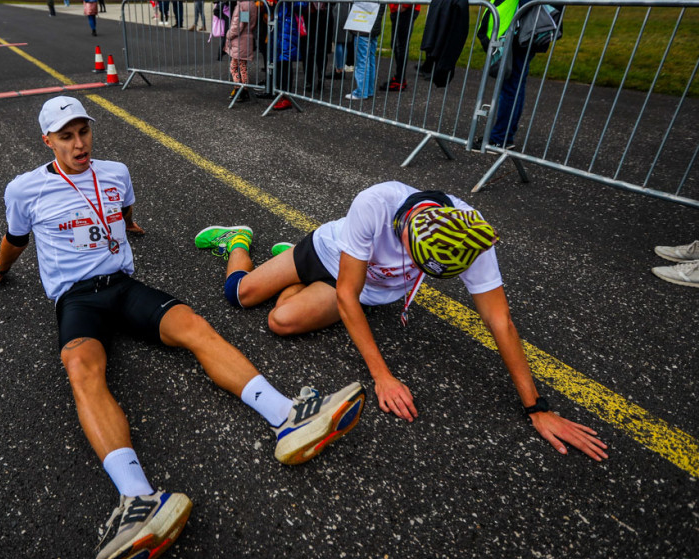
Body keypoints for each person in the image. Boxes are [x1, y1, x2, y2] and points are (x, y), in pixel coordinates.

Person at [0, 96, 367, 559]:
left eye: (83, 132)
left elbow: (121, 202)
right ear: (47, 141)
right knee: (81, 371)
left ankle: (287, 416)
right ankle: (139, 501)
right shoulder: (24, 189)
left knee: (197, 328)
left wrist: (129, 223)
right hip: (77, 300)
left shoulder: (114, 171)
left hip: (123, 285)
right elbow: (15, 239)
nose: (78, 143)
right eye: (66, 136)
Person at [193, 181, 609, 462]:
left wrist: (537, 408)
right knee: (239, 296)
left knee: (280, 322)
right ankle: (239, 241)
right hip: (330, 253)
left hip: (366, 290)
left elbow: (501, 322)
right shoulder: (377, 203)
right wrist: (383, 377)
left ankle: (291, 281)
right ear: (404, 226)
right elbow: (345, 295)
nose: (411, 266)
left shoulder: (469, 235)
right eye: (409, 254)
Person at [485, 0, 573, 149]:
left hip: (524, 21)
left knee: (513, 78)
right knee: (507, 79)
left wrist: (517, 23)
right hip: (512, 18)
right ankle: (497, 135)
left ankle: (501, 139)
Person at [265, 0, 309, 110]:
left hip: (290, 28)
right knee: (277, 61)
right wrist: (269, 0)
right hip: (277, 28)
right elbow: (267, 1)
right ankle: (278, 93)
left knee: (285, 61)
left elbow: (304, 3)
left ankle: (286, 95)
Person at [345, 0, 392, 100]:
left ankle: (361, 91)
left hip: (363, 28)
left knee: (361, 60)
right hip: (374, 28)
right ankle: (368, 89)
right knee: (370, 59)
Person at [303, 0, 338, 93]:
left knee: (308, 49)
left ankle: (308, 80)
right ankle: (321, 79)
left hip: (308, 15)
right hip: (325, 16)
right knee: (322, 50)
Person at [225, 0, 259, 101]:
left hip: (240, 40)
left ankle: (239, 88)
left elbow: (239, 25)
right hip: (247, 38)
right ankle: (244, 89)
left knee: (234, 67)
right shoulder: (252, 3)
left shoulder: (242, 5)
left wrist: (229, 34)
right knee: (243, 67)